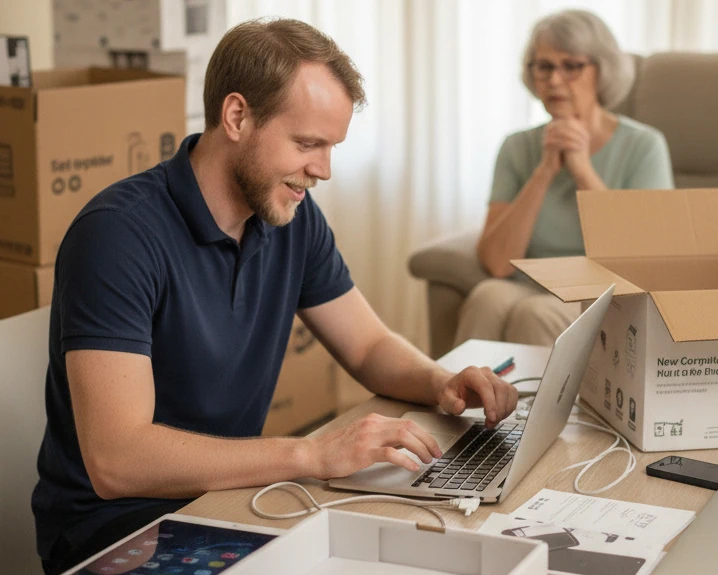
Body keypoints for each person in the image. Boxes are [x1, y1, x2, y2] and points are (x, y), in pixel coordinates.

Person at [33, 19, 517, 574]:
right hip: (119, 532)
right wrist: (310, 454)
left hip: (231, 502)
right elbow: (117, 460)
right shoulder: (117, 234)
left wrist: (441, 382)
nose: (324, 170)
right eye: (308, 143)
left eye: (331, 147)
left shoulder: (290, 217)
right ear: (236, 116)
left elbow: (366, 346)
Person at [454, 9, 674, 347]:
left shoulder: (645, 145)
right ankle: (461, 399)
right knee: (488, 295)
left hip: (607, 291)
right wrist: (543, 172)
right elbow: (497, 263)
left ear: (603, 71)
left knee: (538, 312)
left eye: (571, 66)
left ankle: (544, 404)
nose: (554, 80)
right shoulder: (517, 147)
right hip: (528, 283)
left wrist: (582, 169)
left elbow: (643, 257)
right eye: (544, 67)